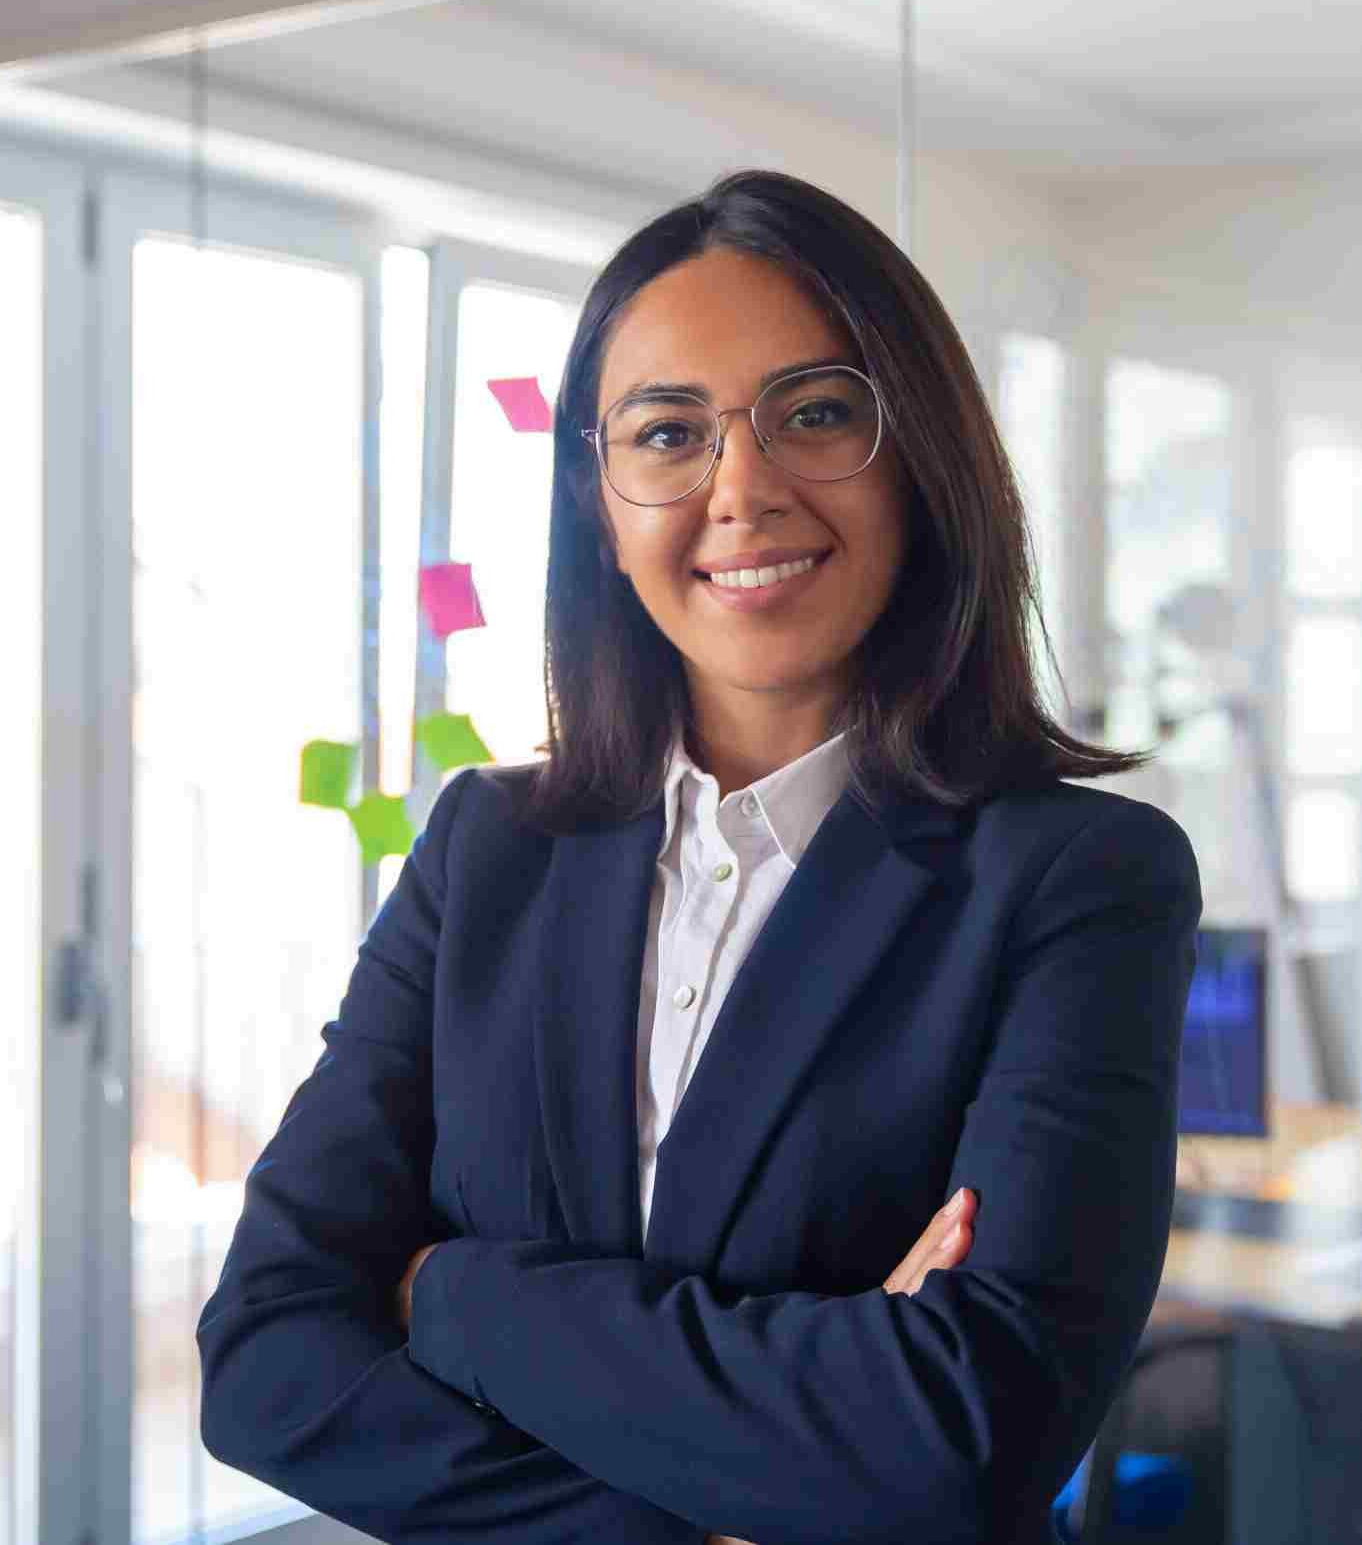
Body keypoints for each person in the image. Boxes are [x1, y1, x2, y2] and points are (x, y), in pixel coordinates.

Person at [197, 168, 1202, 1545]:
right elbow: (264, 1360)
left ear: (921, 460)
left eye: (820, 413)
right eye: (670, 434)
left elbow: (969, 1437)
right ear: (598, 508)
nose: (745, 489)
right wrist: (722, 1501)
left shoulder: (1079, 878)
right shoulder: (487, 851)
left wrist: (456, 1296)